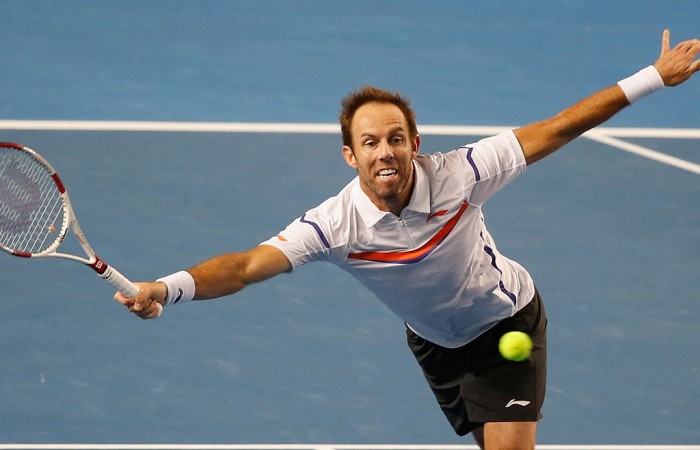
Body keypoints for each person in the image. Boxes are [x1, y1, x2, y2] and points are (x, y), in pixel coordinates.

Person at [115, 30, 699, 450]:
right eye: (370, 143)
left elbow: (558, 127)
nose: (385, 150)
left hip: (507, 324)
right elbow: (244, 267)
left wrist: (653, 77)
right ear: (351, 155)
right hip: (434, 346)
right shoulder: (333, 226)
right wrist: (168, 288)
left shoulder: (464, 172)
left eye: (395, 137)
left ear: (415, 141)